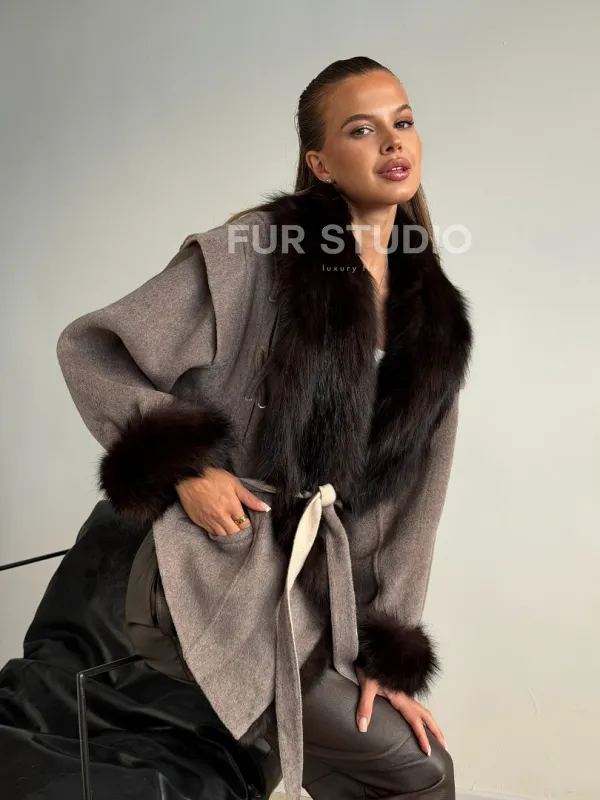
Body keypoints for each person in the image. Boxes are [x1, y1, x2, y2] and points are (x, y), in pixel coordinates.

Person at [56, 56, 473, 800]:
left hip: (312, 606)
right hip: (206, 571)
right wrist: (187, 467)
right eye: (361, 129)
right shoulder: (257, 253)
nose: (391, 142)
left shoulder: (437, 322)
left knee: (412, 767)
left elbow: (414, 509)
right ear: (320, 162)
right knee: (418, 777)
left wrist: (385, 654)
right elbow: (93, 351)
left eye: (402, 122)